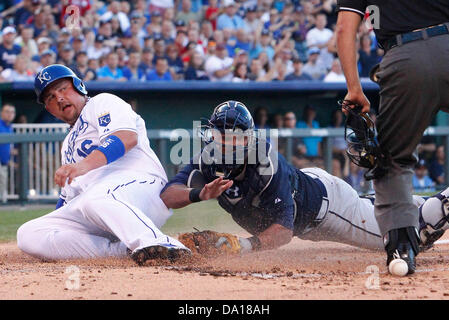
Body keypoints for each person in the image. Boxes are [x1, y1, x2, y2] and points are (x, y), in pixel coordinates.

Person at [159, 101, 449, 260]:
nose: (222, 141)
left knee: (411, 237)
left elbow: (283, 232)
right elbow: (168, 195)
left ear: (246, 140)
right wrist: (199, 194)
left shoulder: (264, 163)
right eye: (219, 133)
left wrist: (242, 247)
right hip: (311, 197)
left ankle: (443, 202)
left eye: (231, 135)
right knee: (379, 211)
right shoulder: (208, 158)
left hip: (327, 208)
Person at [17, 65, 189, 263]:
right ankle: (122, 251)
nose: (59, 98)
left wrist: (82, 166)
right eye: (50, 98)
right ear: (49, 110)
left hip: (140, 187)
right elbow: (67, 201)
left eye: (63, 89)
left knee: (95, 198)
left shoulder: (102, 102)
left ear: (79, 86)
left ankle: (162, 244)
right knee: (29, 233)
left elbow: (125, 138)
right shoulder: (67, 146)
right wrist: (58, 225)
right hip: (98, 207)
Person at [336, 0, 449, 274]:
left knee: (391, 160)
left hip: (405, 58)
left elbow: (344, 29)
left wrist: (354, 88)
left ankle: (402, 249)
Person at [0, 103, 15, 203]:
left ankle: (2, 200)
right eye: (7, 112)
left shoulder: (10, 127)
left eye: (12, 112)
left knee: (3, 181)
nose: (10, 114)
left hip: (4, 160)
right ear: (2, 113)